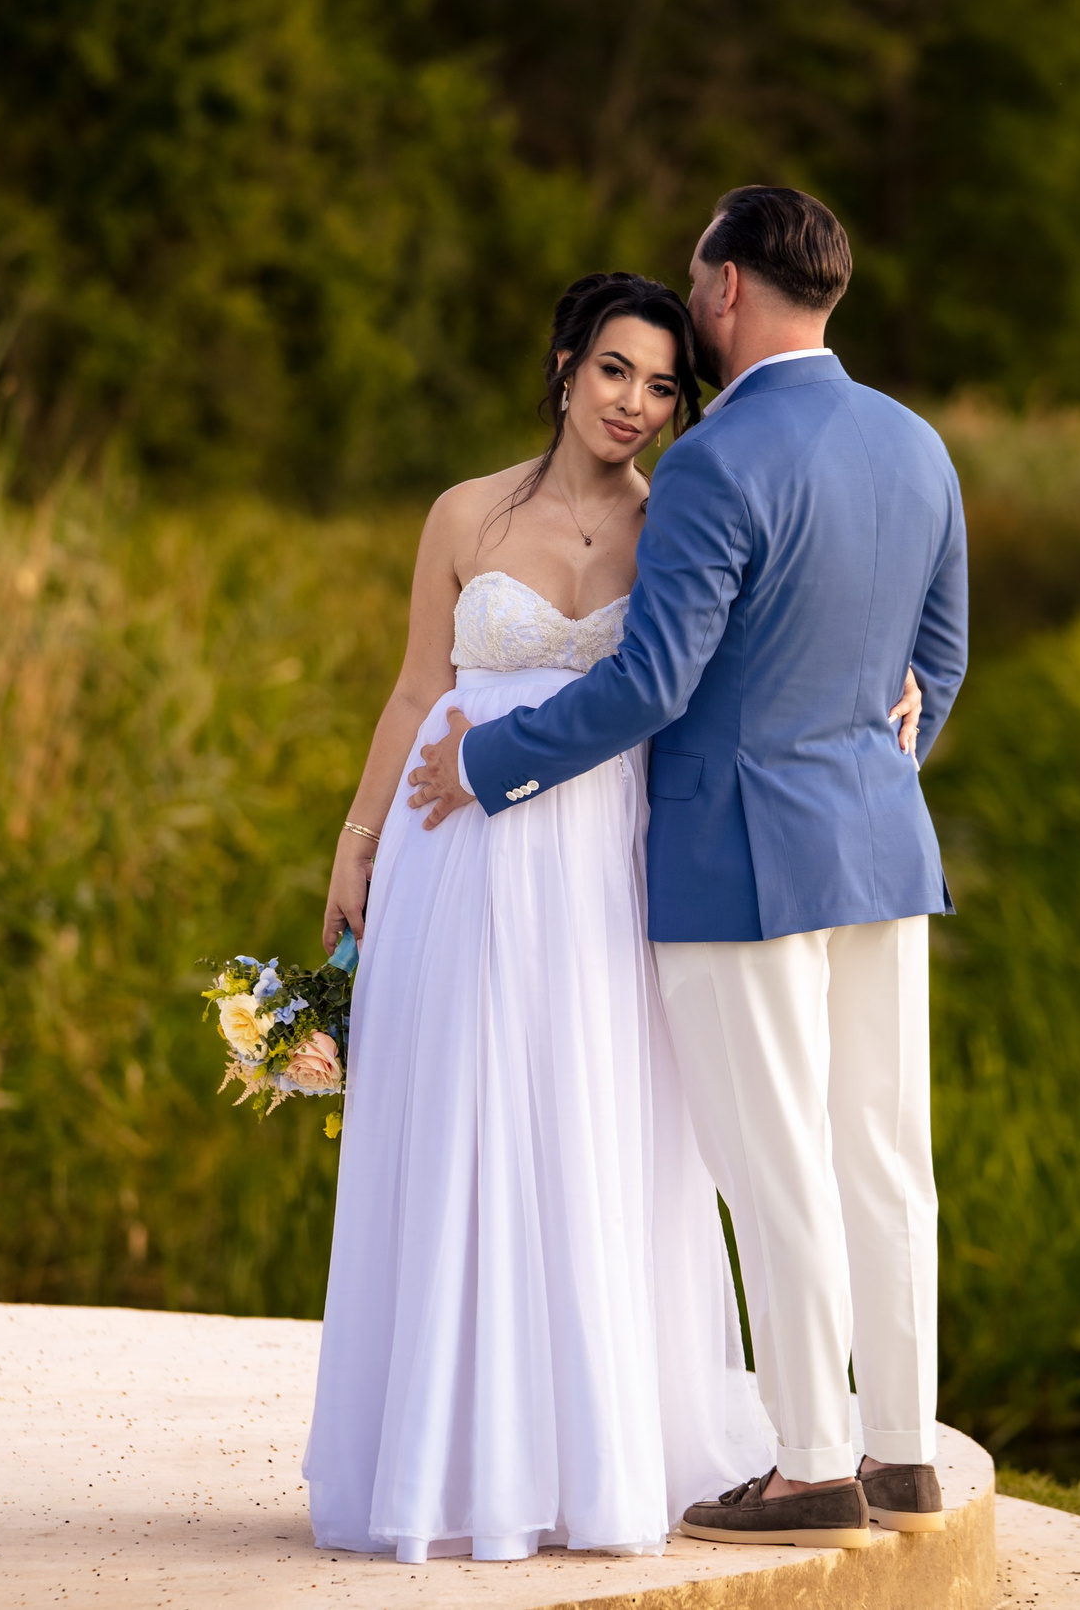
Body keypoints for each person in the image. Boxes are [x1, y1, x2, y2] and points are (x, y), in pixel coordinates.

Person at [306, 272, 927, 1561]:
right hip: (456, 843)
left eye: (661, 384)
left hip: (608, 858)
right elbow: (419, 683)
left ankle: (596, 1457)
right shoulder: (464, 514)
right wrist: (356, 842)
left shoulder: (679, 513)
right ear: (563, 366)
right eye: (613, 374)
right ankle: (454, 1459)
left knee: (606, 1136)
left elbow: (765, 647)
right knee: (468, 1128)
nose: (636, 404)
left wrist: (894, 681)